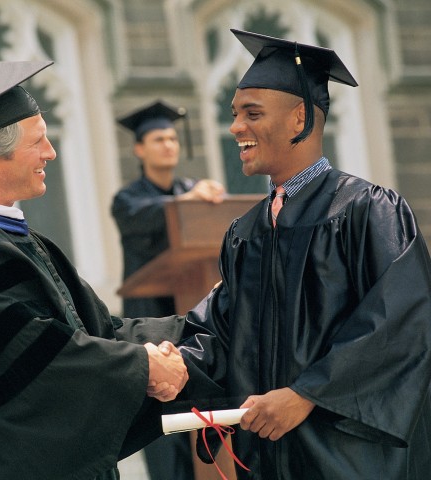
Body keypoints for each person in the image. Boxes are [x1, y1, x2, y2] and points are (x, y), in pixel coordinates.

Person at [176, 29, 431, 479]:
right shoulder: (245, 232)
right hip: (269, 461)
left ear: (299, 119)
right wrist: (152, 366)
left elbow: (402, 324)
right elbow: (219, 333)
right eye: (234, 114)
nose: (235, 127)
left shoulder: (367, 211)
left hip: (348, 460)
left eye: (252, 113)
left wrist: (305, 394)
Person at [0, 60, 190, 480]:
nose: (52, 152)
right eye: (38, 141)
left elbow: (96, 331)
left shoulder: (9, 236)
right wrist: (143, 367)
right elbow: (35, 357)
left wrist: (198, 327)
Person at [111, 101, 225, 480]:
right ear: (139, 149)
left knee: (201, 427)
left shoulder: (193, 192)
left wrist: (201, 199)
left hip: (189, 315)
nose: (168, 145)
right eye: (159, 139)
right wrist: (184, 202)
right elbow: (143, 219)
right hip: (148, 322)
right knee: (162, 433)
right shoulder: (127, 200)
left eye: (173, 138)